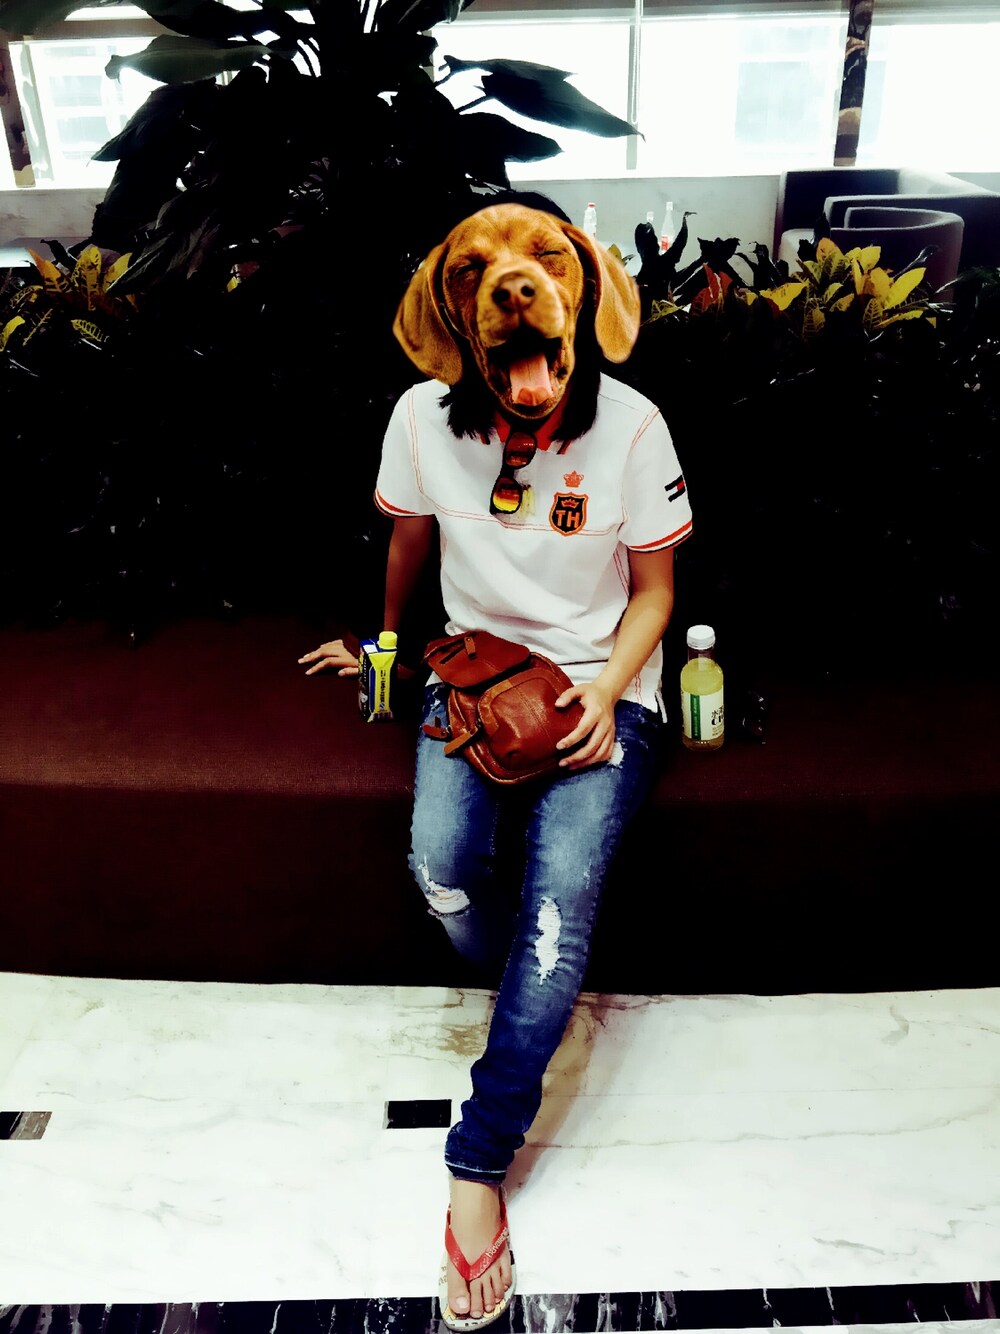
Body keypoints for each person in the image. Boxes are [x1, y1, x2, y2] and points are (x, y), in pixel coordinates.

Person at [299, 195, 693, 1330]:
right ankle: (534, 985)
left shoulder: (635, 427)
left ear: (583, 293)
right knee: (440, 871)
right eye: (476, 273)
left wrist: (606, 696)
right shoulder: (421, 419)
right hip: (469, 676)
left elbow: (655, 593)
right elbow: (408, 540)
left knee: (556, 924)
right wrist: (382, 643)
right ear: (448, 316)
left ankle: (476, 1164)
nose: (514, 284)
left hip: (603, 686)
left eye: (542, 263)